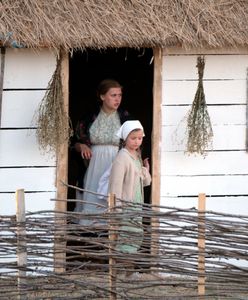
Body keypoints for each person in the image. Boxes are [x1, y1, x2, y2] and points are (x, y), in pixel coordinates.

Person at [72, 79, 131, 226]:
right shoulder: (90, 117)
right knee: (93, 198)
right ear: (102, 96)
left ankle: (111, 235)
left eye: (120, 95)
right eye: (113, 95)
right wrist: (82, 146)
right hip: (94, 164)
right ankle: (91, 238)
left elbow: (134, 142)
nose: (118, 99)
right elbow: (73, 142)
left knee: (113, 197)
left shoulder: (125, 117)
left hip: (115, 163)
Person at [108, 120, 151, 253]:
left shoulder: (137, 156)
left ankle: (128, 267)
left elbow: (145, 182)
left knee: (137, 234)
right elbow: (115, 184)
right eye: (133, 138)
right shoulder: (122, 157)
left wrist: (146, 169)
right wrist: (116, 209)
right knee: (128, 234)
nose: (137, 141)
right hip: (127, 204)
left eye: (140, 138)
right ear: (125, 138)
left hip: (137, 203)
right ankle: (122, 265)